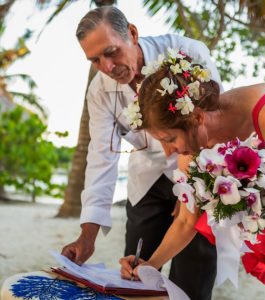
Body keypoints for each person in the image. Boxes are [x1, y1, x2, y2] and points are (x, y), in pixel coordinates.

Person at [61, 6, 223, 300]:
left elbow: (212, 124)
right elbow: (101, 157)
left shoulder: (186, 52)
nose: (107, 67)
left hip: (199, 172)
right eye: (95, 60)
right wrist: (89, 234)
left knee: (191, 278)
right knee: (133, 278)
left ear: (133, 34)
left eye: (111, 52)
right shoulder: (99, 91)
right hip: (146, 178)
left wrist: (189, 190)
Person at [118, 50, 265, 300]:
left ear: (197, 117)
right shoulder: (190, 153)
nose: (169, 152)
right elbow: (185, 221)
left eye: (169, 139)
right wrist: (149, 264)